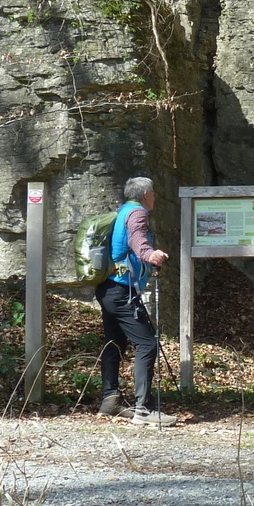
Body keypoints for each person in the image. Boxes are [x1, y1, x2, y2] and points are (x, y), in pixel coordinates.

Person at [95, 177, 178, 428]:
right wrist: (149, 254)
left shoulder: (122, 211)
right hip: (121, 292)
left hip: (108, 288)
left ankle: (110, 400)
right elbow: (137, 239)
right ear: (145, 194)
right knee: (147, 343)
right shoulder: (137, 213)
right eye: (153, 193)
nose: (155, 197)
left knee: (115, 343)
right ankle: (144, 409)